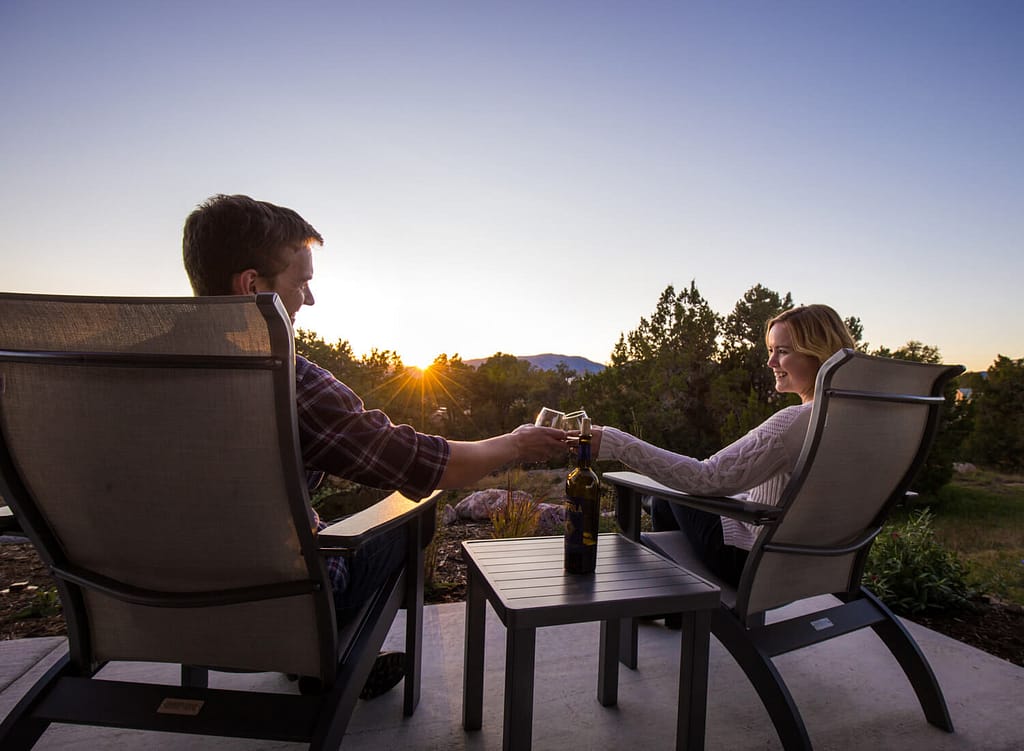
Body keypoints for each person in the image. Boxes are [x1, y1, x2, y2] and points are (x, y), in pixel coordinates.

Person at [182, 194, 568, 697]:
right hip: (282, 606)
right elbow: (421, 464)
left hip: (142, 605)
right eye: (301, 283)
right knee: (416, 510)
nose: (309, 300)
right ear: (252, 285)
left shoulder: (107, 374)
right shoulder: (289, 384)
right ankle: (327, 658)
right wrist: (515, 444)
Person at [590, 304, 856, 588]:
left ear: (819, 354)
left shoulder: (796, 421)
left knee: (670, 492)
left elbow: (706, 477)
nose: (771, 363)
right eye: (770, 350)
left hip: (757, 566)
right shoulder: (858, 419)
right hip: (821, 563)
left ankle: (674, 599)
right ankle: (673, 599)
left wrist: (614, 442)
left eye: (783, 351)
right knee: (663, 502)